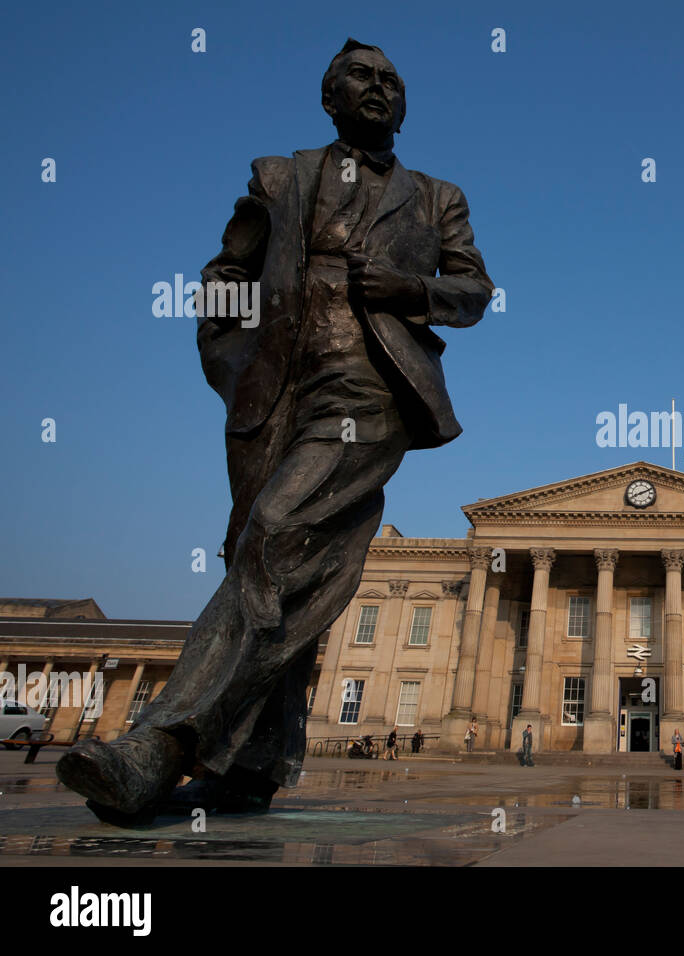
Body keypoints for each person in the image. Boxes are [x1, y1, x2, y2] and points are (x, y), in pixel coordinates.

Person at [54, 39, 494, 825]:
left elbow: (474, 290)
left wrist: (408, 288)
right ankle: (251, 768)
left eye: (393, 81)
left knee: (272, 532)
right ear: (329, 97)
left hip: (369, 391)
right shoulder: (279, 179)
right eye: (362, 76)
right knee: (276, 566)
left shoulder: (435, 197)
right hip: (274, 387)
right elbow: (226, 275)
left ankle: (159, 742)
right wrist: (231, 357)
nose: (379, 88)